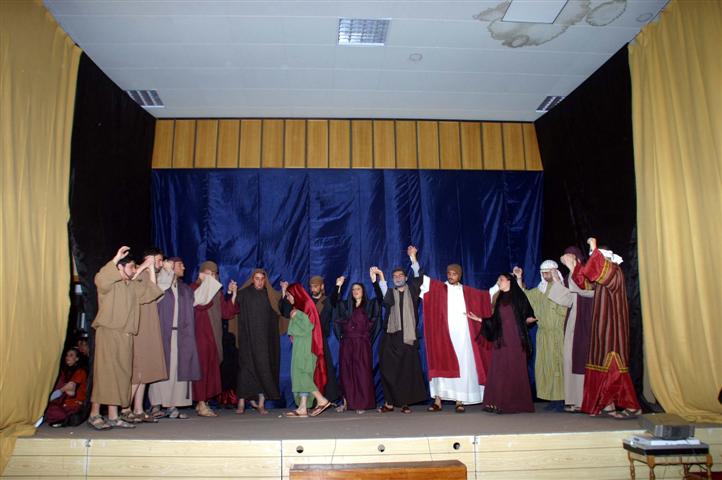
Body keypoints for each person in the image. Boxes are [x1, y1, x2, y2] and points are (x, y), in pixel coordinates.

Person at [87, 247, 162, 430]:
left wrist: (150, 269)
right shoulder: (110, 284)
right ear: (120, 268)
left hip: (126, 335)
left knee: (121, 376)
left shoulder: (132, 287)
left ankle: (113, 416)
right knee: (105, 373)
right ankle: (94, 414)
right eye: (131, 267)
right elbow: (100, 279)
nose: (135, 270)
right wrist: (116, 259)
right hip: (109, 332)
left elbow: (152, 292)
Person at [570, 237, 641, 418]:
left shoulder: (614, 271)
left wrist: (594, 247)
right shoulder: (603, 275)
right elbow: (586, 283)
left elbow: (599, 270)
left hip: (613, 328)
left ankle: (633, 406)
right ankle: (607, 404)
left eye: (596, 257)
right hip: (601, 327)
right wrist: (574, 267)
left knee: (614, 367)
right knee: (600, 364)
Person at [417, 251, 493, 413]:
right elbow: (421, 279)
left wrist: (501, 284)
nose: (451, 276)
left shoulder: (467, 291)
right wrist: (414, 259)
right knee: (441, 364)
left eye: (454, 274)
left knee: (463, 366)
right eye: (449, 274)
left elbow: (486, 297)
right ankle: (438, 400)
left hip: (463, 336)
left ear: (459, 275)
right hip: (443, 335)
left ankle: (460, 400)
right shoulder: (439, 288)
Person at [467, 273, 537, 414]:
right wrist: (480, 319)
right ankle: (496, 402)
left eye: (501, 279)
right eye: (498, 279)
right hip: (501, 339)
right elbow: (495, 320)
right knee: (499, 369)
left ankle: (512, 404)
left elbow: (528, 314)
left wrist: (529, 319)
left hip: (516, 339)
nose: (499, 282)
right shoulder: (499, 298)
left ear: (509, 281)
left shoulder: (519, 296)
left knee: (514, 369)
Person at [372, 247, 428, 414]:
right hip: (390, 337)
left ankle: (404, 403)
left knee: (406, 371)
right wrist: (380, 277)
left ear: (405, 278)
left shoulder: (413, 291)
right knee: (387, 370)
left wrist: (413, 258)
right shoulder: (390, 294)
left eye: (400, 275)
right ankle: (389, 403)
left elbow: (418, 277)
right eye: (395, 276)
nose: (397, 278)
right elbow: (383, 296)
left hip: (407, 338)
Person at [148, 257, 200, 420]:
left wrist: (208, 282)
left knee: (177, 369)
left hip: (181, 335)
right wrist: (167, 271)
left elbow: (199, 300)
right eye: (180, 265)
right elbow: (159, 290)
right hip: (164, 333)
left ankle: (172, 405)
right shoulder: (160, 284)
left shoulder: (185, 289)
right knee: (161, 368)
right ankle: (156, 404)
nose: (183, 267)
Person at [513, 261, 568, 412]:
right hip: (544, 335)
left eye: (549, 271)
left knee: (558, 366)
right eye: (543, 272)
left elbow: (566, 305)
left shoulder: (562, 289)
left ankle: (562, 399)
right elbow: (524, 297)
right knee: (546, 366)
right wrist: (519, 278)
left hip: (558, 334)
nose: (545, 274)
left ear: (555, 271)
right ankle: (553, 398)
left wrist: (557, 282)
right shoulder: (540, 291)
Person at [121, 248, 168, 424]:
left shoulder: (149, 276)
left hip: (150, 326)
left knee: (145, 371)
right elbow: (128, 285)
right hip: (139, 327)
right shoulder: (137, 273)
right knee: (138, 371)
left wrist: (151, 271)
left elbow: (154, 293)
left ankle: (139, 409)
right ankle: (125, 408)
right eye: (158, 260)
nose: (161, 264)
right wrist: (144, 267)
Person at [190, 262, 238, 417]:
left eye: (214, 274)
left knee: (210, 370)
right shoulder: (194, 289)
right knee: (201, 370)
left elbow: (226, 312)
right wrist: (207, 285)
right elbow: (200, 304)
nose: (212, 276)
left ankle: (203, 402)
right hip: (200, 335)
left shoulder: (216, 291)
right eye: (208, 273)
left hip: (214, 336)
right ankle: (201, 403)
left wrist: (232, 294)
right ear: (201, 274)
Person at [235, 268, 283, 415]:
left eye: (262, 279)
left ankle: (261, 404)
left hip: (264, 341)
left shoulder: (269, 295)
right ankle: (241, 403)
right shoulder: (244, 294)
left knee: (264, 369)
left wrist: (283, 291)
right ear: (252, 279)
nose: (260, 282)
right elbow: (233, 305)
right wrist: (232, 292)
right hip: (247, 339)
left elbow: (279, 308)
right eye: (257, 279)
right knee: (245, 370)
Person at [330, 274, 380, 414]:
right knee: (346, 373)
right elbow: (333, 302)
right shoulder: (345, 306)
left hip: (362, 344)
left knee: (362, 372)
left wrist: (375, 282)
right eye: (353, 289)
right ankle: (346, 403)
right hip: (347, 344)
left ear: (363, 291)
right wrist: (338, 286)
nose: (355, 291)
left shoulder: (369, 305)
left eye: (358, 289)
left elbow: (381, 299)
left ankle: (361, 403)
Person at [281, 283, 332, 418]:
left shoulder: (305, 306)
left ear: (295, 294)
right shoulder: (300, 307)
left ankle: (321, 400)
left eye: (289, 295)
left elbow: (309, 327)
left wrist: (296, 315)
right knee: (301, 375)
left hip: (306, 347)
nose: (288, 298)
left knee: (302, 375)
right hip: (301, 346)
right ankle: (302, 407)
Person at [555, 247, 595, 412]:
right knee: (569, 359)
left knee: (583, 359)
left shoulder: (587, 273)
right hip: (573, 322)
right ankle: (573, 399)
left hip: (587, 322)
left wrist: (573, 270)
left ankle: (585, 400)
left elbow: (587, 291)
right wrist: (556, 282)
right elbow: (568, 299)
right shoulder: (570, 276)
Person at [307, 276, 340, 404]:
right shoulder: (307, 301)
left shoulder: (327, 301)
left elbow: (334, 299)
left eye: (316, 286)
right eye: (312, 286)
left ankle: (328, 398)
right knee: (309, 370)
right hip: (308, 340)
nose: (313, 289)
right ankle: (311, 401)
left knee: (324, 368)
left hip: (321, 340)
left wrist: (338, 285)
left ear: (322, 287)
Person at [45, 348, 88, 427]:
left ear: (77, 359)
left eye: (71, 355)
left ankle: (63, 419)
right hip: (62, 403)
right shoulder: (64, 371)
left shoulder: (80, 372)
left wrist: (60, 391)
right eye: (67, 355)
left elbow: (70, 387)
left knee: (55, 411)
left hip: (73, 405)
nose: (67, 357)